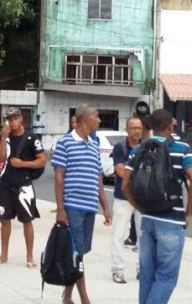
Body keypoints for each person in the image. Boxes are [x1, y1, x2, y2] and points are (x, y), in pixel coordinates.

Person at [123, 109, 192, 304]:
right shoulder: (182, 148)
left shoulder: (140, 149)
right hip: (172, 220)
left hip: (148, 219)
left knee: (147, 275)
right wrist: (189, 213)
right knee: (166, 277)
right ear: (170, 126)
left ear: (150, 127)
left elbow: (124, 185)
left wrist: (139, 207)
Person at [51, 105, 112, 304]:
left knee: (80, 252)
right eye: (97, 116)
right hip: (73, 207)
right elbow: (59, 176)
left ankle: (67, 297)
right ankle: (85, 299)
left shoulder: (94, 144)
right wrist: (61, 209)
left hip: (89, 207)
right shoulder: (66, 142)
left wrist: (105, 207)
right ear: (85, 119)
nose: (99, 120)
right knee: (76, 254)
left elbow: (98, 178)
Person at [0, 107, 46, 267]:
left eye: (15, 118)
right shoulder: (4, 136)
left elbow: (42, 160)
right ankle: (3, 254)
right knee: (5, 219)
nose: (12, 122)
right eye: (9, 119)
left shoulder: (31, 137)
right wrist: (3, 137)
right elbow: (0, 159)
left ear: (21, 118)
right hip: (6, 183)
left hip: (24, 185)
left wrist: (23, 164)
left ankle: (30, 257)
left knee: (27, 220)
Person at [111, 116, 144, 284]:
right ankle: (118, 269)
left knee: (143, 235)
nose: (136, 131)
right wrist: (140, 173)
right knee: (119, 234)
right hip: (123, 197)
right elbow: (120, 172)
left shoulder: (147, 148)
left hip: (141, 198)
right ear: (126, 129)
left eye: (139, 128)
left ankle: (143, 270)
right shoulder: (120, 148)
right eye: (133, 128)